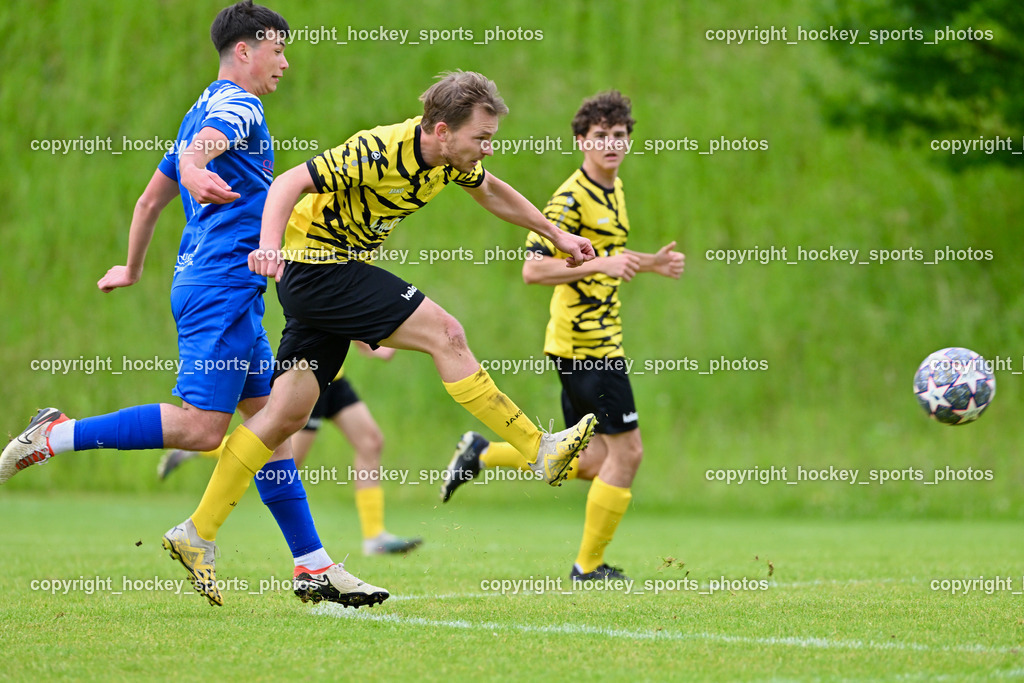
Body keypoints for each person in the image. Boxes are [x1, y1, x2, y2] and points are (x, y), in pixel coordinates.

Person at [0, 1, 387, 609]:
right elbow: (205, 147)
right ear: (244, 51)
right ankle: (57, 434)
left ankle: (311, 566)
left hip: (223, 289)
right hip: (221, 288)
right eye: (278, 49)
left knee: (275, 428)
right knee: (204, 430)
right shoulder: (240, 105)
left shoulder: (194, 109)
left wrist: (131, 267)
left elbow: (150, 203)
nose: (285, 62)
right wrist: (196, 162)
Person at [162, 70, 600, 594]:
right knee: (446, 333)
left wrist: (553, 233)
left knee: (285, 413)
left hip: (322, 279)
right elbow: (287, 184)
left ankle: (197, 532)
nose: (487, 149)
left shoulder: (450, 162)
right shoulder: (378, 149)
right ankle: (537, 449)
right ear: (441, 130)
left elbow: (493, 193)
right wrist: (271, 247)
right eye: (480, 138)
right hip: (317, 268)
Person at [440, 91, 685, 583]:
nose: (611, 145)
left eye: (619, 136)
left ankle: (482, 453)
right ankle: (587, 567)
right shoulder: (570, 197)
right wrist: (603, 264)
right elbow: (533, 270)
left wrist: (648, 262)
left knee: (593, 460)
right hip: (587, 346)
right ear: (581, 141)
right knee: (628, 453)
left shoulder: (613, 191)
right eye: (600, 137)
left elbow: (605, 254)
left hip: (593, 342)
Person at [159, 342, 423, 556]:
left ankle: (374, 536)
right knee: (284, 458)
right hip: (313, 376)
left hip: (335, 377)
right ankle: (205, 446)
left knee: (370, 441)